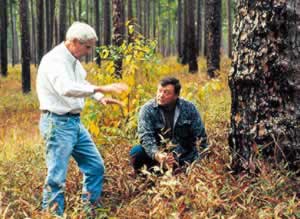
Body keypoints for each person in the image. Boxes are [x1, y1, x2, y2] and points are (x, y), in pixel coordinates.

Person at [36, 22, 128, 216]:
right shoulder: (54, 60)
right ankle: (52, 215)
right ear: (75, 42)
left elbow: (81, 83)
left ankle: (88, 212)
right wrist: (101, 87)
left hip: (74, 123)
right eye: (87, 47)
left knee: (95, 167)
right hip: (57, 123)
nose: (89, 51)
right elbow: (66, 88)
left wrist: (100, 97)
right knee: (56, 178)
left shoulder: (73, 60)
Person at [130, 77, 207, 172]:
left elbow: (200, 136)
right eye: (159, 91)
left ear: (176, 95)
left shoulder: (189, 108)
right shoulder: (147, 109)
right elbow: (146, 137)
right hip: (157, 154)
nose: (161, 95)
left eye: (166, 92)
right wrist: (157, 155)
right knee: (136, 152)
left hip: (183, 155)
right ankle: (146, 176)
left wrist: (199, 161)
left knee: (197, 156)